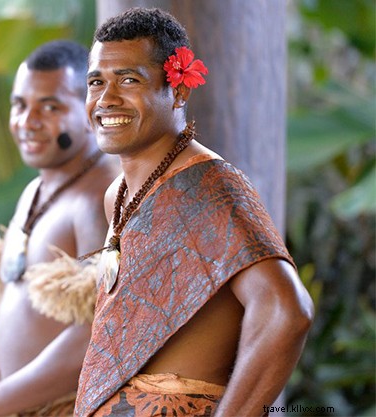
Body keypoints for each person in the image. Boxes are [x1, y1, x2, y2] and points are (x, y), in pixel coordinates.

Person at [75, 8, 314, 417]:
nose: (106, 98)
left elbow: (286, 310)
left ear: (179, 91)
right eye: (97, 81)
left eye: (129, 80)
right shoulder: (117, 194)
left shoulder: (211, 184)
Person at [0, 40, 119, 417]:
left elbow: (102, 329)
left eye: (50, 107)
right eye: (20, 105)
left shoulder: (99, 195)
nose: (27, 121)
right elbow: (9, 294)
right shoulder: (35, 191)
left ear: (89, 109)